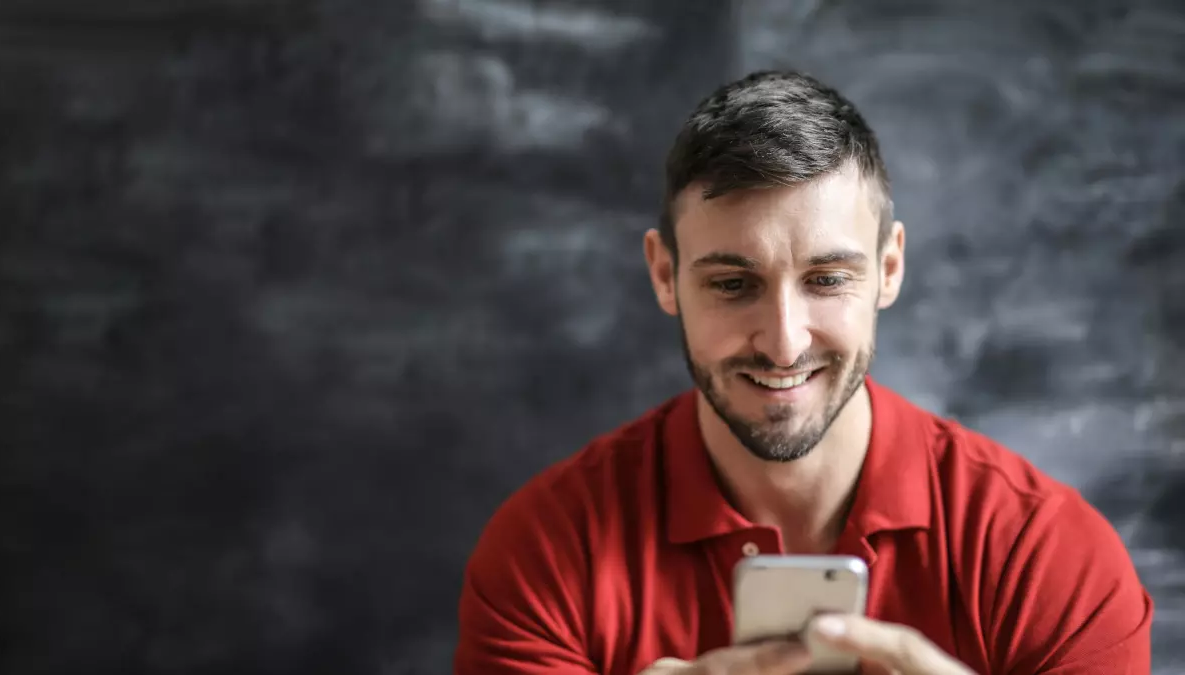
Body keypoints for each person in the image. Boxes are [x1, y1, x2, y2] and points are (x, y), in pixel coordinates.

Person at [453, 70, 1154, 675]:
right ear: (664, 275)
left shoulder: (1054, 560)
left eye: (826, 278)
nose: (784, 344)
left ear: (889, 267)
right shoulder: (542, 552)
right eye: (732, 284)